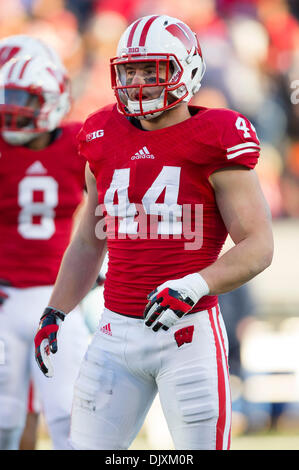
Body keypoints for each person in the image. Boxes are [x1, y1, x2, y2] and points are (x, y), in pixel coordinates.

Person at [34, 14, 274, 450]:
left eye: (152, 69)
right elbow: (89, 240)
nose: (138, 81)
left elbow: (258, 245)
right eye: (130, 70)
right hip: (112, 334)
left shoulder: (216, 135)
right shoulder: (101, 133)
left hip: (188, 332)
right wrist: (56, 310)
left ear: (188, 69)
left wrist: (194, 285)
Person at [0, 41, 89, 450]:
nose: (11, 106)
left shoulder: (81, 143)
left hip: (60, 299)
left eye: (21, 97)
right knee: (5, 418)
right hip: (6, 294)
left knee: (67, 415)